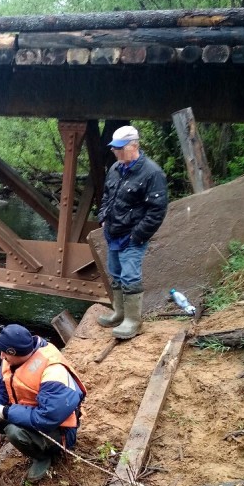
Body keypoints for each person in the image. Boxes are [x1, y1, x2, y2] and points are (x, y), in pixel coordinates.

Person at [0, 324, 86, 486]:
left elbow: (46, 418)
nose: (1, 356)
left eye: (5, 352)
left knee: (14, 431)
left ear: (15, 352)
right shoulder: (11, 361)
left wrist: (5, 411)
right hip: (26, 414)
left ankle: (43, 457)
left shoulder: (53, 371)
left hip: (58, 432)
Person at [96, 125, 168, 339]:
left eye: (119, 148)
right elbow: (107, 195)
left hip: (132, 236)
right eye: (114, 148)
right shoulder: (116, 168)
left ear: (134, 145)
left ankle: (133, 321)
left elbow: (157, 210)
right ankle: (119, 314)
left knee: (130, 276)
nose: (115, 152)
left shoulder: (152, 173)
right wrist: (103, 217)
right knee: (116, 273)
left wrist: (138, 235)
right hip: (113, 233)